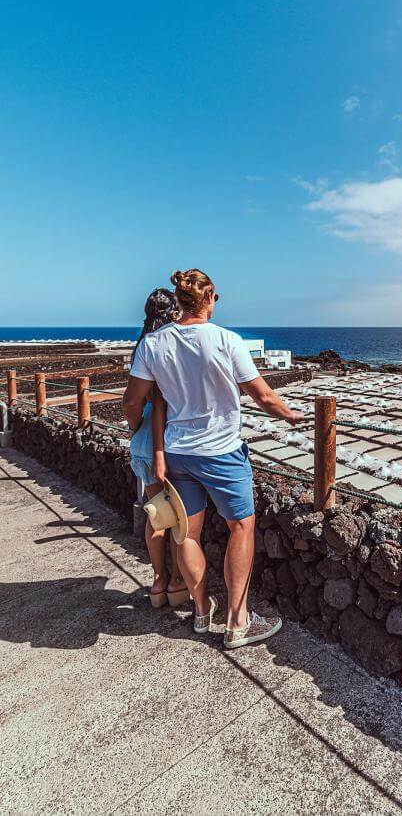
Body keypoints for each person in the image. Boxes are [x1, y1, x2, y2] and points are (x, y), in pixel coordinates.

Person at [123, 268, 304, 649]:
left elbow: (132, 401)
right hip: (221, 452)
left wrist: (133, 425)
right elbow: (264, 397)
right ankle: (238, 622)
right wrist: (291, 415)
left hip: (178, 452)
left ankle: (202, 611)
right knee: (242, 527)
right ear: (209, 298)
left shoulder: (153, 344)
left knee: (187, 534)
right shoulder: (226, 340)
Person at [127, 288, 188, 609]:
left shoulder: (144, 345)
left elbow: (132, 399)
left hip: (145, 443)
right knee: (179, 517)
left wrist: (135, 426)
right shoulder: (176, 344)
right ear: (175, 311)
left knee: (156, 513)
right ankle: (179, 581)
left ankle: (158, 580)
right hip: (175, 440)